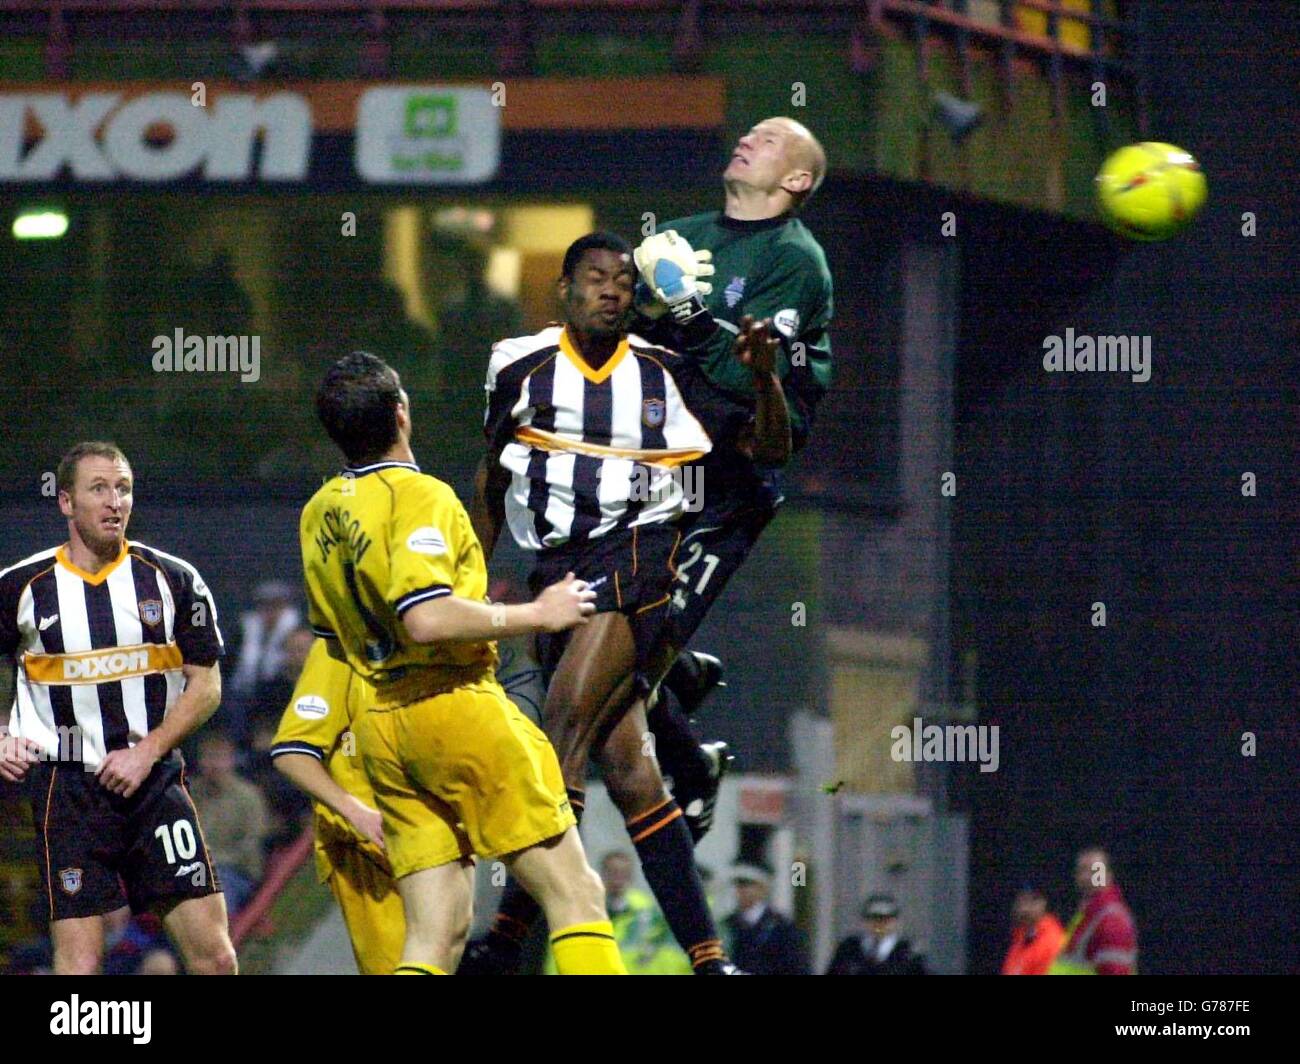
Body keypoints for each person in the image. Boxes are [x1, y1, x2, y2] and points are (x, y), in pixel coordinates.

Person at [463, 232, 786, 975]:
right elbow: (491, 476)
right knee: (631, 771)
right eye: (595, 279)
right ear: (564, 292)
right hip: (555, 573)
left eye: (623, 282)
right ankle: (710, 961)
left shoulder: (668, 372)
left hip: (638, 562)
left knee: (558, 736)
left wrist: (765, 380)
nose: (612, 290)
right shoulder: (516, 365)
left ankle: (506, 943)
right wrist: (471, 581)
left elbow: (767, 449)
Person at [303, 351, 623, 975]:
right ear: (402, 414)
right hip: (453, 708)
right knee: (576, 893)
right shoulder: (420, 495)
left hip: (382, 726)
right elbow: (425, 617)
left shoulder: (318, 512)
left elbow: (333, 639)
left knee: (435, 935)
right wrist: (536, 613)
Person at [631, 116, 834, 840]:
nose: (750, 139)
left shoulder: (795, 261)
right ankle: (679, 677)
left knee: (621, 677)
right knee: (574, 650)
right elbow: (625, 342)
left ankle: (688, 761)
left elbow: (737, 386)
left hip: (724, 487)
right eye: (750, 132)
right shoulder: (680, 234)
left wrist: (681, 312)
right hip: (647, 474)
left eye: (771, 140)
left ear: (796, 181)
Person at [0, 441, 236, 975]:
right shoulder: (21, 586)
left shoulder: (173, 579)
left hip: (153, 787)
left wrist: (147, 751)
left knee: (217, 960)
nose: (115, 502)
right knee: (79, 967)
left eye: (123, 489)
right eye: (99, 489)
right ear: (65, 502)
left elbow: (207, 685)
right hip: (68, 795)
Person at [271, 637, 406, 975]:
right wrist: (356, 812)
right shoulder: (338, 648)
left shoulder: (435, 642)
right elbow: (292, 752)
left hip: (440, 844)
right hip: (373, 850)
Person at [546, 852, 691, 975]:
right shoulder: (583, 907)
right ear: (601, 874)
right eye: (612, 872)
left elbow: (662, 953)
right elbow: (561, 951)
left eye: (623, 874)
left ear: (631, 876)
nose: (618, 879)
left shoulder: (646, 912)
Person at [187, 731, 269, 914]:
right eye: (208, 758)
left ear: (230, 760)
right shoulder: (190, 794)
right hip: (194, 869)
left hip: (236, 871)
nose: (213, 765)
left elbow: (251, 846)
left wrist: (214, 860)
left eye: (218, 758)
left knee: (212, 891)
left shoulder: (249, 798)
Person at [1048, 847, 1138, 975]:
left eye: (1096, 870)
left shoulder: (1111, 918)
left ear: (1109, 875)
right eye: (1082, 870)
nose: (1087, 876)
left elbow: (1116, 971)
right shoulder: (1086, 915)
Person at [723, 863, 809, 975]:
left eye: (748, 885)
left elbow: (796, 966)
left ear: (763, 888)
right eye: (738, 885)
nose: (741, 891)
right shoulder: (727, 925)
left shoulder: (781, 927)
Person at [826, 894, 927, 975]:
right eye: (874, 918)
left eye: (885, 920)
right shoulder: (849, 949)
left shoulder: (908, 954)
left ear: (895, 922)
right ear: (865, 921)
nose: (879, 924)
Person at [1001, 887, 1065, 975]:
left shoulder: (1052, 941)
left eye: (1031, 901)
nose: (1024, 909)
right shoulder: (1021, 937)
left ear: (1043, 903)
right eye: (1020, 902)